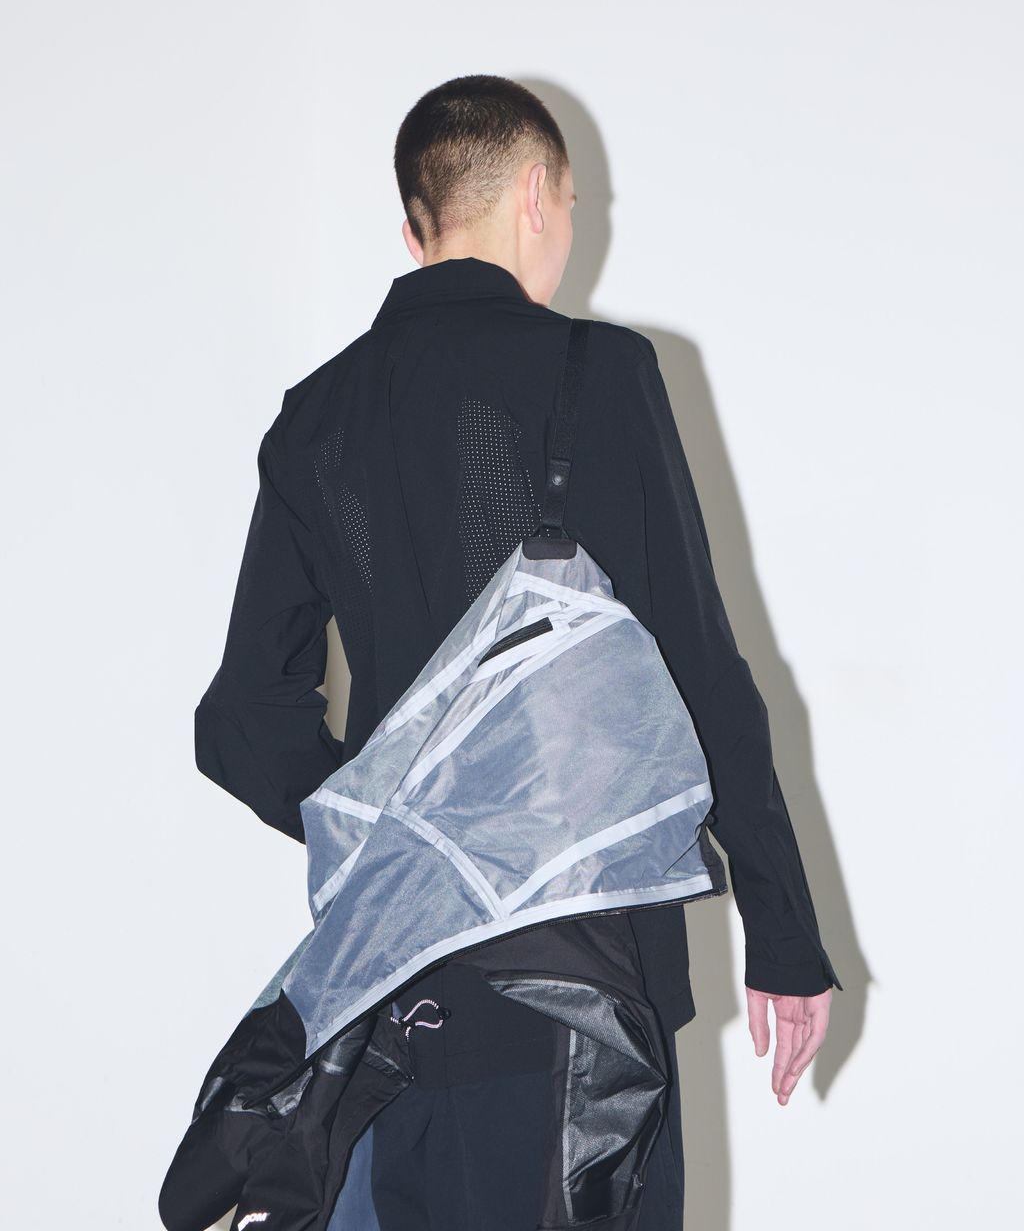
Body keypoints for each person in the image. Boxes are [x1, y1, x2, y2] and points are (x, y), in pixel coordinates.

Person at [194, 74, 841, 1230]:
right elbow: (700, 671)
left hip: (386, 994)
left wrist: (406, 841)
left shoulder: (315, 417)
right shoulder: (600, 374)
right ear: (537, 192)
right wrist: (784, 936)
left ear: (415, 227)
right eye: (576, 204)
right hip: (585, 1000)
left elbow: (244, 719)